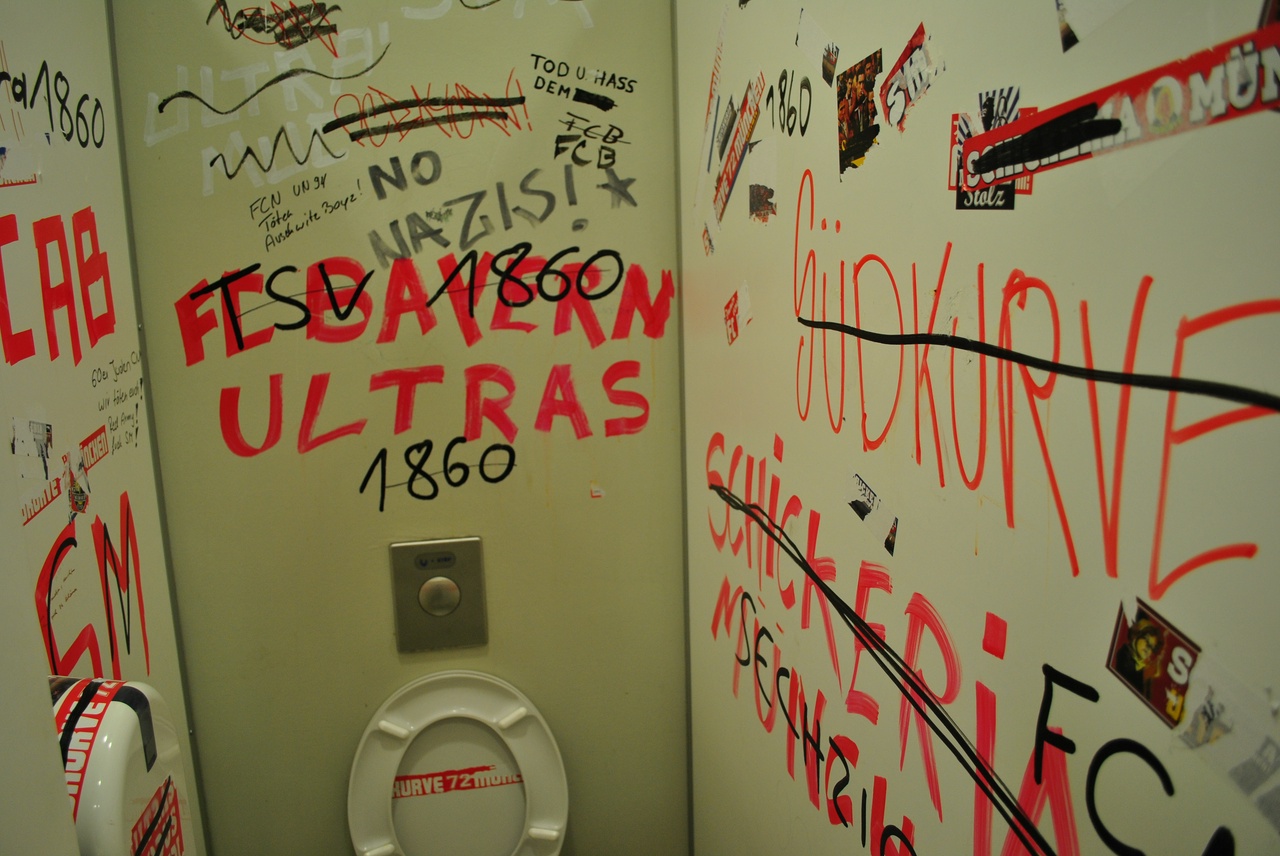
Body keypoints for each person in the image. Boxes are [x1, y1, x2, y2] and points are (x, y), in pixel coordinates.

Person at [1114, 618, 1164, 697]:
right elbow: (1126, 678)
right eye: (1147, 641)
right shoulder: (1124, 652)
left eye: (1152, 647)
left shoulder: (1145, 667)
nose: (1148, 648)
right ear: (1137, 636)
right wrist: (1146, 673)